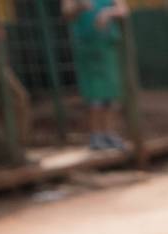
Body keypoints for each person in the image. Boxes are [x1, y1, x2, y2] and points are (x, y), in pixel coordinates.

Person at [61, 0, 128, 151]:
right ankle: (96, 135)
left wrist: (107, 13)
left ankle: (109, 133)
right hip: (87, 47)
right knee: (95, 95)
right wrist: (79, 6)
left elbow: (123, 10)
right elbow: (66, 12)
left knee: (111, 94)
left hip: (106, 46)